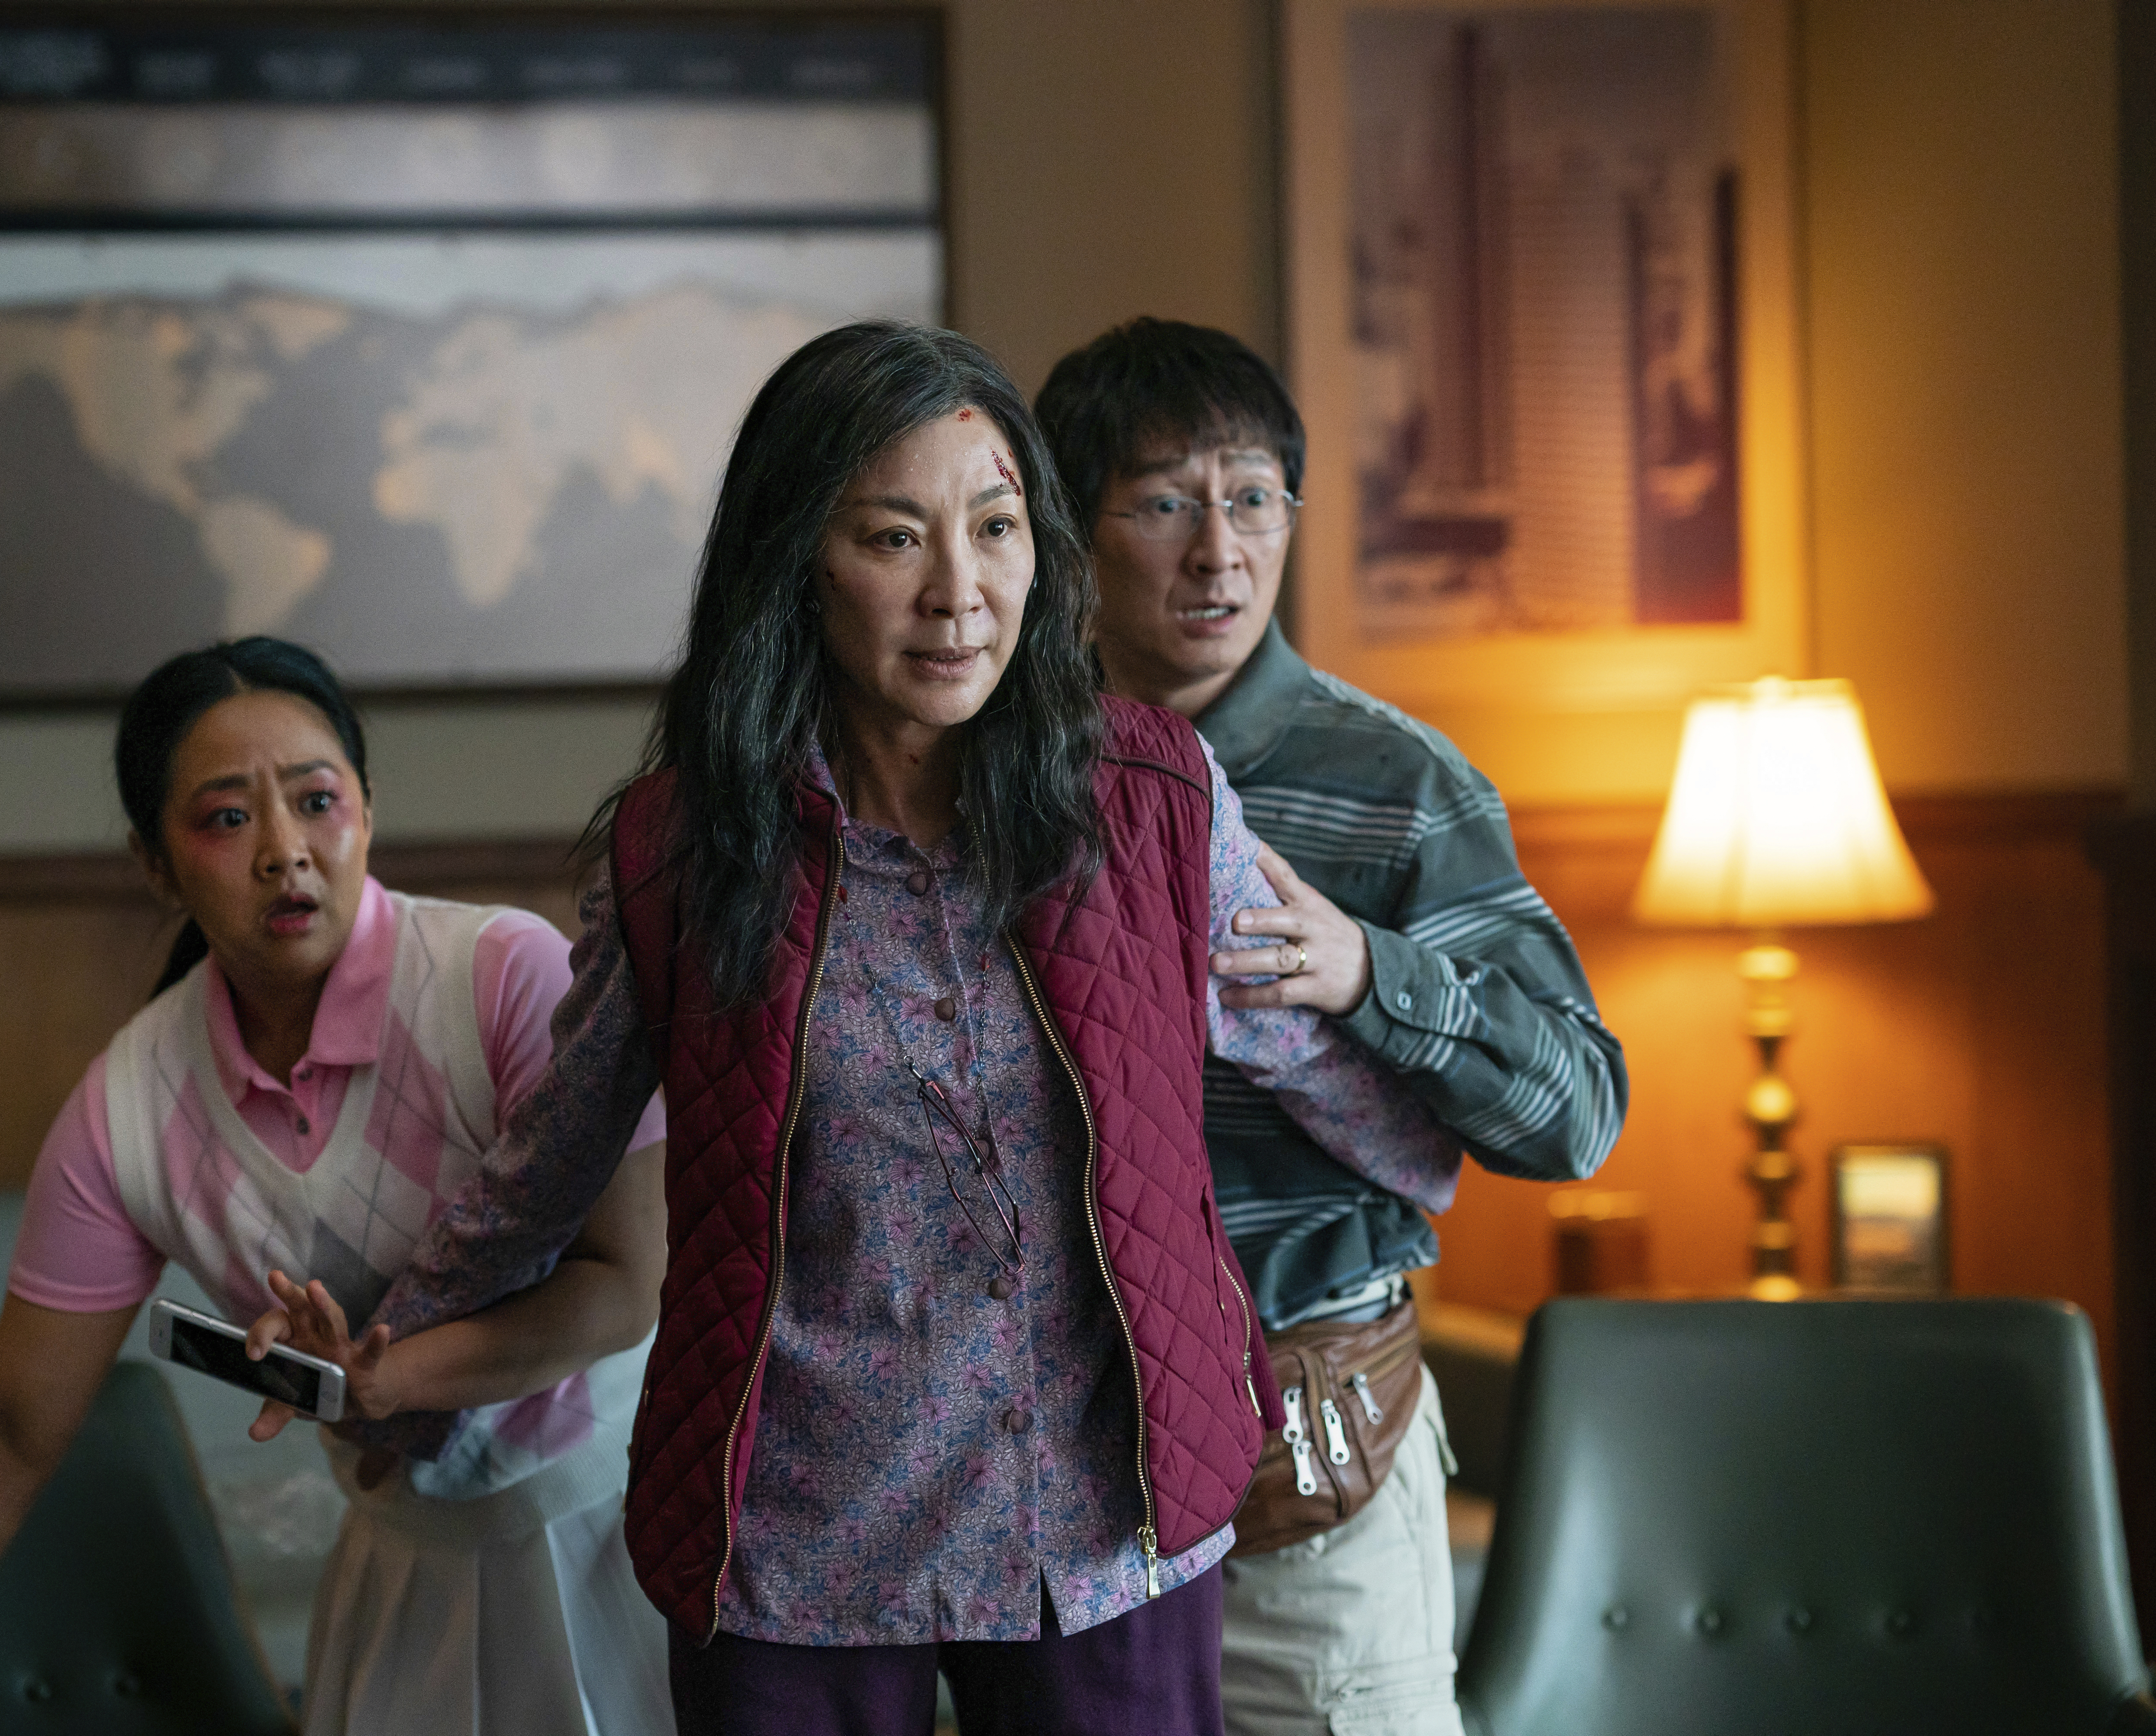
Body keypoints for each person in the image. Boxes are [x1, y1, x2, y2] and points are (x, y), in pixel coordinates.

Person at [276, 322, 1453, 1736]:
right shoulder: (688, 853)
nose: (962, 594)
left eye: (999, 529)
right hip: (798, 1545)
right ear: (799, 569)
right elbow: (548, 1158)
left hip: (1100, 1532)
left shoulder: (1150, 797)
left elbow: (1295, 1044)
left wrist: (1441, 1142)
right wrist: (392, 1361)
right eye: (896, 539)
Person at [0, 637, 674, 1736]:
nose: (285, 851)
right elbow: (9, 1427)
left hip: (629, 1523)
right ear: (155, 863)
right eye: (226, 818)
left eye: (318, 799)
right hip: (408, 1571)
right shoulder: (130, 1105)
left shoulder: (505, 977)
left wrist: (392, 1375)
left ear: (367, 806)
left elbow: (628, 1279)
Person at [1035, 318, 1628, 1735]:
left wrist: (1366, 972)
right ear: (1071, 530)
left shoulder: (1396, 783)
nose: (1219, 552)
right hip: (1061, 1476)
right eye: (1167, 503)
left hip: (1309, 1474)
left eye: (1252, 501)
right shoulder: (1009, 770)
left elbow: (1579, 1115)